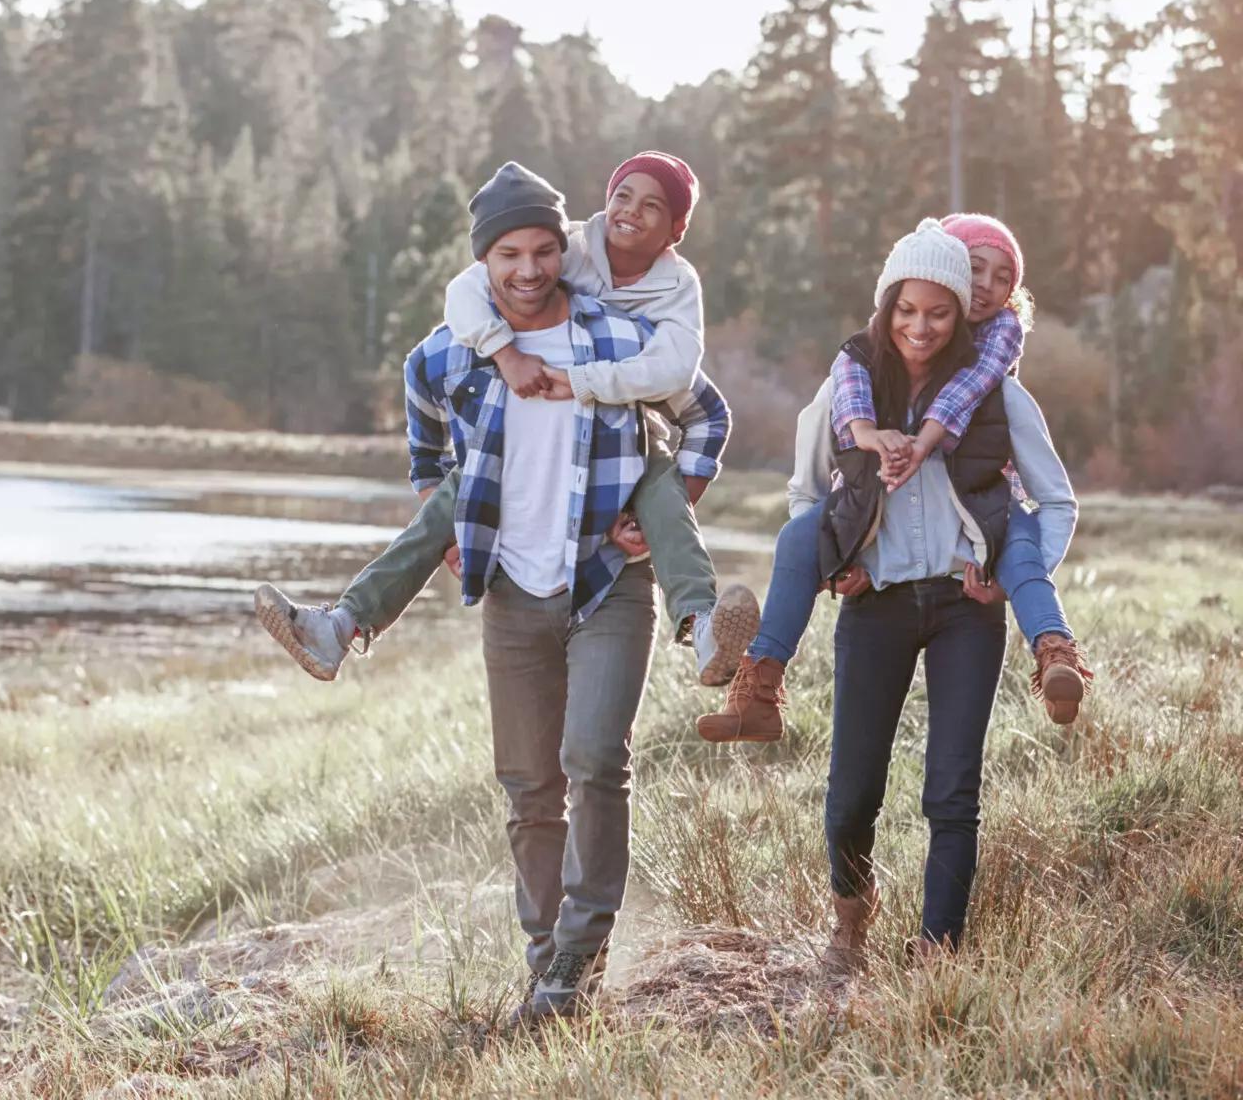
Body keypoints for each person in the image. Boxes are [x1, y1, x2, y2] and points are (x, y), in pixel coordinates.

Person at [356, 164, 728, 1019]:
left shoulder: (617, 333)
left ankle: (578, 954)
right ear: (484, 262)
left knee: (596, 760)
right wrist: (436, 505)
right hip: (514, 587)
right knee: (528, 786)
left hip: (608, 578)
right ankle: (548, 962)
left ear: (567, 251)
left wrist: (682, 494)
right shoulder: (462, 341)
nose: (527, 269)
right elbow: (421, 404)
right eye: (507, 253)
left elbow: (705, 408)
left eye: (543, 250)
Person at [255, 153, 756, 689]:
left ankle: (703, 626)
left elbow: (685, 378)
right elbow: (465, 293)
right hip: (521, 445)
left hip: (630, 436)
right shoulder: (570, 247)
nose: (530, 268)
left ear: (677, 230)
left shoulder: (674, 291)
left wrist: (661, 507)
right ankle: (339, 627)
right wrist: (504, 353)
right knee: (459, 490)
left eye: (652, 205)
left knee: (660, 486)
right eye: (622, 196)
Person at [773, 222, 1078, 970]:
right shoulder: (852, 387)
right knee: (851, 790)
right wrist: (840, 561)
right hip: (875, 604)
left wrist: (1006, 576)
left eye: (940, 310)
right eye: (910, 309)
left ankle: (939, 947)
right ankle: (850, 921)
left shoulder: (999, 393)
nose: (923, 323)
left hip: (962, 611)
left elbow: (1056, 501)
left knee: (951, 791)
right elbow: (804, 493)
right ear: (893, 305)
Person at [696, 212, 1093, 745]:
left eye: (1004, 278)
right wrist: (839, 556)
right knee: (798, 536)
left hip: (980, 521)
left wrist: (923, 443)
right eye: (976, 270)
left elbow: (976, 399)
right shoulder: (861, 360)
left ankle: (1054, 650)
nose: (988, 288)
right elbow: (818, 459)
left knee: (1020, 545)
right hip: (873, 543)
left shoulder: (996, 361)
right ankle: (759, 684)